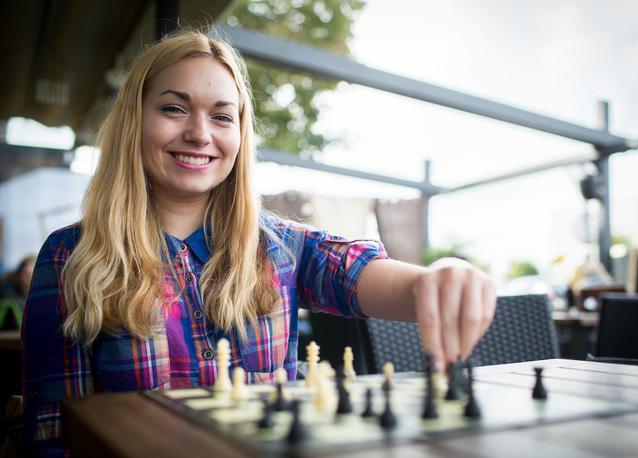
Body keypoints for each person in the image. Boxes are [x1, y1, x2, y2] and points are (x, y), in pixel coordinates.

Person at [21, 30, 495, 455]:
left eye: (222, 117)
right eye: (173, 108)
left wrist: (437, 279)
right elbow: (55, 436)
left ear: (240, 135)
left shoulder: (282, 248)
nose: (199, 133)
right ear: (134, 121)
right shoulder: (68, 258)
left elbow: (357, 273)